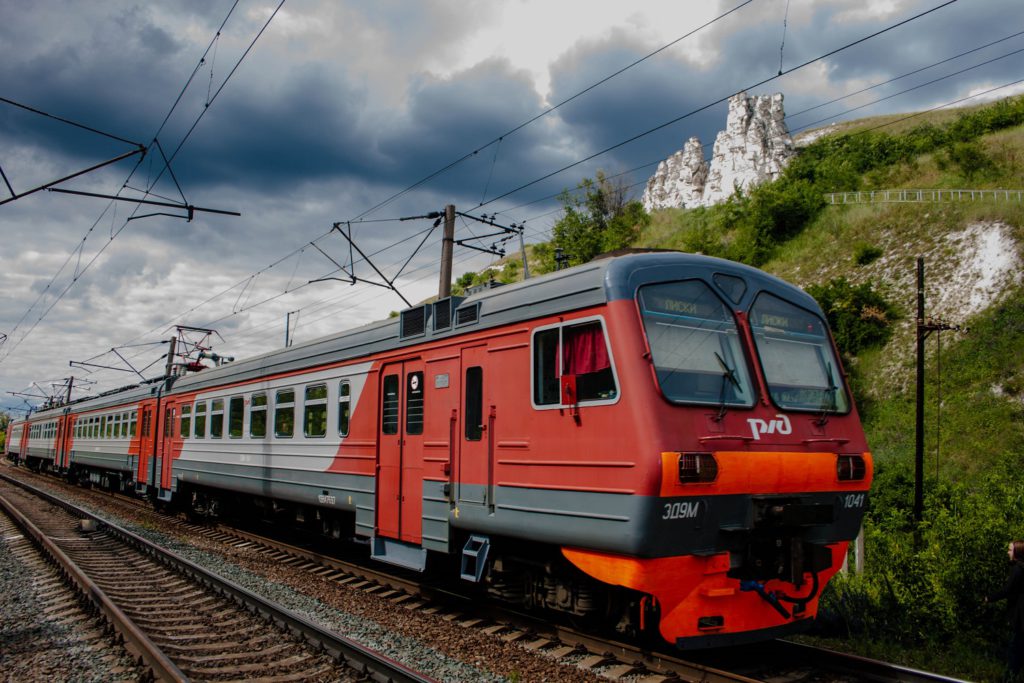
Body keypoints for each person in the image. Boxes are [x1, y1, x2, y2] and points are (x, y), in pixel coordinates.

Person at [989, 540, 1024, 679]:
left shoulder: (1017, 570)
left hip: (1020, 618)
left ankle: (1007, 679)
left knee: (1014, 651)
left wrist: (990, 598)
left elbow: (1007, 590)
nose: (1008, 552)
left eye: (1010, 550)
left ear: (1017, 553)